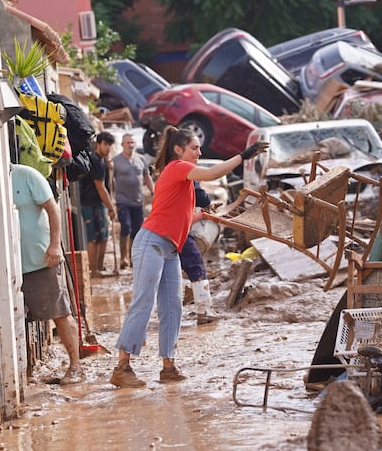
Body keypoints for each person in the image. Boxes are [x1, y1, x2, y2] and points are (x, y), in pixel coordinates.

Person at [109, 127, 268, 388]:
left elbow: (184, 216)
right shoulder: (177, 167)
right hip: (151, 242)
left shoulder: (183, 179)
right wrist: (244, 156)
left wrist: (208, 214)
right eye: (195, 148)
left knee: (173, 306)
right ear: (178, 150)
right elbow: (214, 172)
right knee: (144, 301)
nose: (199, 152)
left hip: (170, 248)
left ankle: (168, 367)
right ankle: (122, 367)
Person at [11, 163, 84, 384]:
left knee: (59, 312)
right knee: (18, 318)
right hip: (12, 265)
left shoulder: (26, 175)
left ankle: (75, 367)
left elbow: (53, 209)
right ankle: (24, 372)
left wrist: (54, 245)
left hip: (40, 260)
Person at [112, 133, 155, 270]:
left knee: (137, 230)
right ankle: (123, 258)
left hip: (138, 200)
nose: (130, 145)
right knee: (125, 226)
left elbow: (147, 177)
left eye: (132, 143)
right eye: (128, 143)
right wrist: (111, 200)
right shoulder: (116, 161)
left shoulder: (141, 159)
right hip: (122, 199)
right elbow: (110, 181)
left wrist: (154, 192)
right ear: (122, 145)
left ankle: (133, 258)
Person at [78, 131, 116, 277]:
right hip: (92, 203)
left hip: (98, 203)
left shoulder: (101, 161)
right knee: (93, 238)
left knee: (103, 236)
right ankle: (93, 269)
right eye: (105, 144)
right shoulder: (96, 161)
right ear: (98, 144)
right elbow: (101, 188)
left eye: (110, 145)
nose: (108, 148)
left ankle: (98, 268)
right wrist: (111, 208)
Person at [181, 181, 218, 324]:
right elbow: (201, 197)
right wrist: (205, 207)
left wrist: (202, 213)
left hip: (164, 230)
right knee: (195, 263)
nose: (199, 156)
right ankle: (204, 310)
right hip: (177, 230)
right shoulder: (185, 171)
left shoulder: (167, 170)